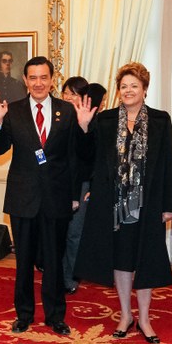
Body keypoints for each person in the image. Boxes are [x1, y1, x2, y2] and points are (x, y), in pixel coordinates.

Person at [73, 62, 172, 344]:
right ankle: (125, 315)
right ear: (118, 91)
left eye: (134, 85)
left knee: (144, 260)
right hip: (113, 206)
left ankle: (144, 318)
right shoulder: (105, 120)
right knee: (120, 260)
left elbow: (168, 164)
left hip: (148, 204)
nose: (128, 90)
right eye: (123, 86)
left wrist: (170, 204)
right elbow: (88, 158)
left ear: (144, 89)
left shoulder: (160, 120)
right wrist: (83, 127)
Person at [0, 56, 79, 336]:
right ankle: (24, 314)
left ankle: (55, 316)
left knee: (54, 259)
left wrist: (74, 194)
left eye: (44, 77)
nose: (38, 83)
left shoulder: (68, 110)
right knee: (23, 261)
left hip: (57, 198)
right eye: (33, 78)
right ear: (25, 80)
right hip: (23, 197)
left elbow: (75, 157)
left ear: (52, 79)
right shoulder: (12, 111)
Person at [60, 77, 105, 295]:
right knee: (56, 232)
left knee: (74, 234)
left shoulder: (92, 123)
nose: (68, 97)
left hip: (81, 185)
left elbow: (93, 159)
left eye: (74, 94)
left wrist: (91, 188)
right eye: (65, 93)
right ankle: (55, 274)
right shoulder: (56, 117)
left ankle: (70, 277)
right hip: (57, 182)